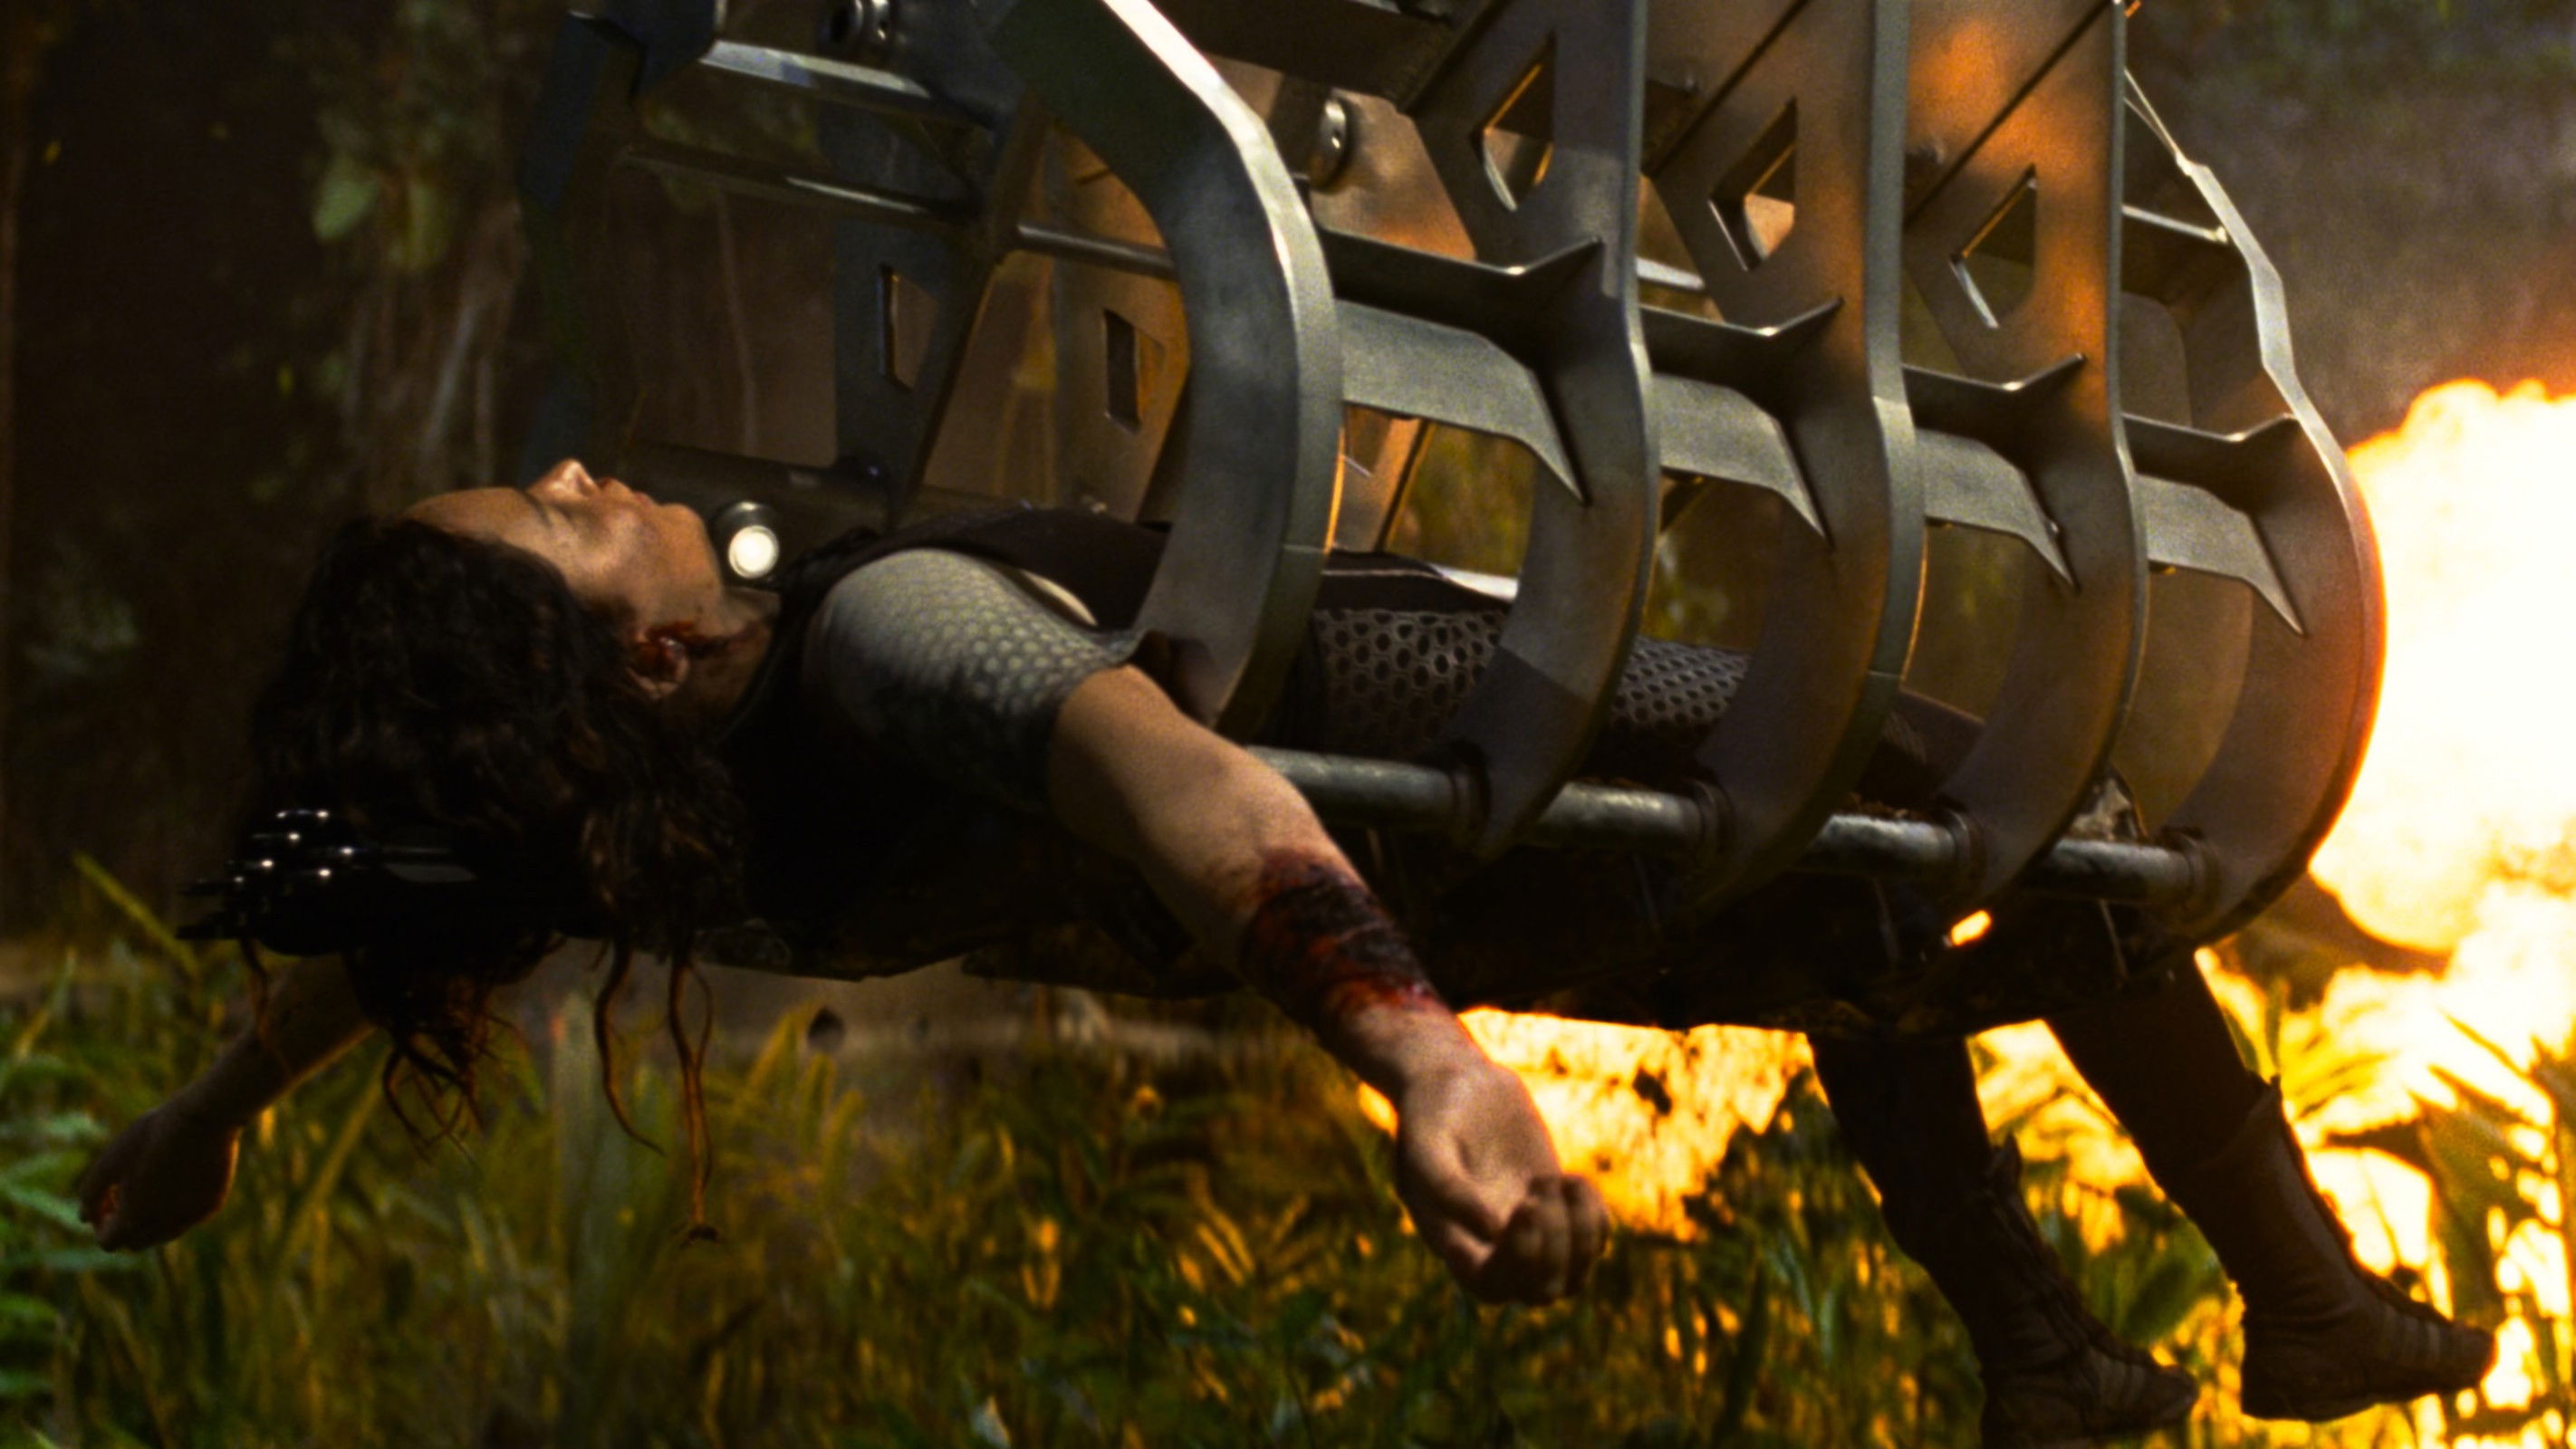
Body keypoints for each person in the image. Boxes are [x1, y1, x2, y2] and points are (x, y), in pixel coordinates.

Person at [75, 460, 2489, 1445]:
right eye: (555, 517)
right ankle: (2284, 1294)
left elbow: (400, 914)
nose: (586, 470)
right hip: (1426, 719)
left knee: (1866, 916)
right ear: (632, 656)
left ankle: (2056, 1354)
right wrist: (1427, 1071)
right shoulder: (881, 638)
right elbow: (1191, 793)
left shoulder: (619, 830)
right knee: (2006, 812)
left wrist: (206, 1115)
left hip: (1440, 864)